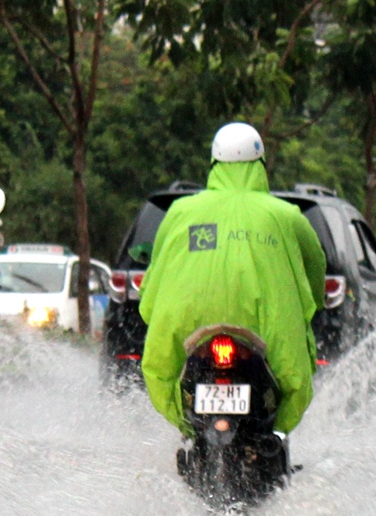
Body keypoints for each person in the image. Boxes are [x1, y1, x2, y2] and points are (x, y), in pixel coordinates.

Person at [138, 122, 328, 436]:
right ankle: (275, 437)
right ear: (261, 166)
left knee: (162, 367)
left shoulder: (180, 212)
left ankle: (190, 433)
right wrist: (315, 302)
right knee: (293, 374)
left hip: (188, 325)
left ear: (214, 164)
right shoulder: (286, 216)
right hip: (266, 328)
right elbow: (315, 265)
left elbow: (156, 273)